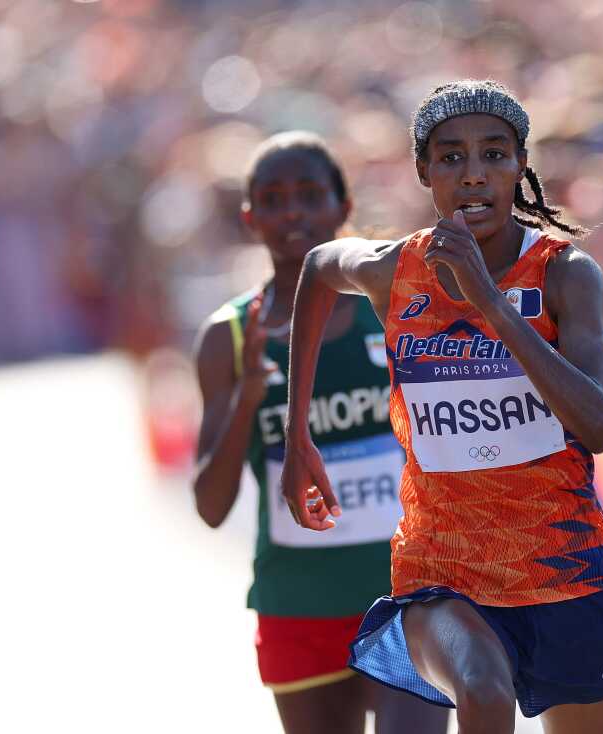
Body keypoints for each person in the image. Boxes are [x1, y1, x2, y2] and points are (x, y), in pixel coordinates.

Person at [280, 80, 603, 734]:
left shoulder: (566, 273)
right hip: (443, 571)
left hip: (566, 569)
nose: (474, 175)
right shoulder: (395, 269)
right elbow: (317, 267)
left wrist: (489, 303)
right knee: (481, 689)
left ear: (520, 166)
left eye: (494, 155)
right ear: (425, 172)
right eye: (450, 158)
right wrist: (298, 436)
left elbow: (599, 427)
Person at [191, 131, 449, 734]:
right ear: (250, 216)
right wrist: (250, 399)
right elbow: (209, 506)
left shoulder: (396, 309)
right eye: (274, 199)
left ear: (343, 206)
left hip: (406, 594)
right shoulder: (228, 338)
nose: (293, 213)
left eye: (309, 195)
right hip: (298, 606)